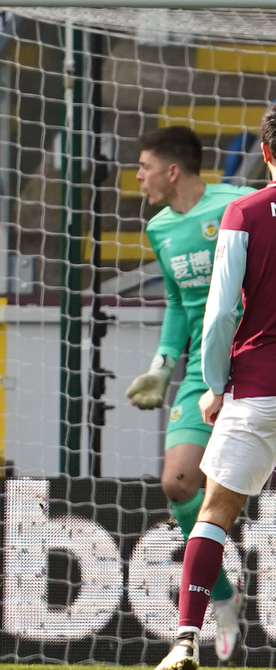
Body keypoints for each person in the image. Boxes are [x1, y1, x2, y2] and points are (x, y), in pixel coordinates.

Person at [153, 105, 275, 670]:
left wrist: (215, 383)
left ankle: (184, 639)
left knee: (216, 510)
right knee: (184, 485)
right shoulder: (175, 224)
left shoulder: (242, 211)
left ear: (267, 155)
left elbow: (222, 310)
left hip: (256, 386)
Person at [125, 125, 250, 661]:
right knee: (178, 482)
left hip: (256, 355)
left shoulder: (240, 204)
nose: (137, 177)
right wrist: (161, 365)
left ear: (171, 171)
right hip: (203, 368)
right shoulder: (158, 228)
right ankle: (223, 596)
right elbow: (178, 303)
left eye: (143, 166)